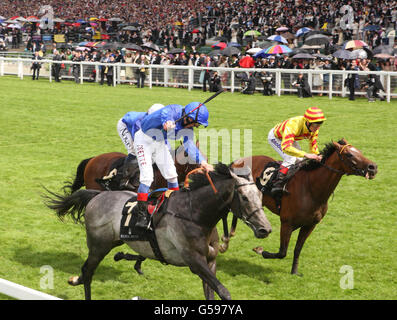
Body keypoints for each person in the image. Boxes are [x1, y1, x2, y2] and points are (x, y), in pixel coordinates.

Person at [133, 102, 213, 229]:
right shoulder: (174, 110)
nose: (196, 126)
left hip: (159, 143)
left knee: (172, 175)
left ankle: (175, 206)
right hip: (143, 141)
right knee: (147, 177)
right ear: (188, 118)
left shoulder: (188, 129)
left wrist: (203, 162)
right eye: (196, 123)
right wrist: (167, 121)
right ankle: (141, 215)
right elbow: (166, 112)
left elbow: (190, 146)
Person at [267, 107, 326, 195]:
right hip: (276, 138)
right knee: (290, 158)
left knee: (300, 160)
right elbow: (286, 147)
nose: (318, 126)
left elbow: (313, 143)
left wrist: (317, 155)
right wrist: (306, 154)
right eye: (316, 124)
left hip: (290, 138)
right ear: (308, 122)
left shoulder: (315, 128)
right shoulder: (293, 124)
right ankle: (277, 184)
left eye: (320, 123)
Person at [117, 103, 165, 189]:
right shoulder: (139, 123)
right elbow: (138, 141)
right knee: (134, 151)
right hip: (124, 126)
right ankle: (125, 180)